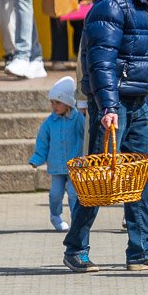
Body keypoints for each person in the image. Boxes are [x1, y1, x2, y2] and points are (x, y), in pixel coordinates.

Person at [63, 0, 148, 272]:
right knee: (99, 178)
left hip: (137, 102)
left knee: (144, 175)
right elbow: (100, 59)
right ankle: (76, 248)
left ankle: (141, 251)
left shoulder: (146, 6)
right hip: (114, 106)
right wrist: (108, 106)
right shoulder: (113, 3)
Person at [28, 77, 84, 231]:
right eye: (52, 102)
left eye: (58, 102)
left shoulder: (78, 119)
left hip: (75, 166)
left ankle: (76, 220)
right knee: (55, 194)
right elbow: (43, 142)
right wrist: (37, 158)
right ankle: (55, 215)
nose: (54, 106)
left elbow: (87, 134)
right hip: (57, 167)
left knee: (74, 194)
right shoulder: (49, 122)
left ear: (68, 103)